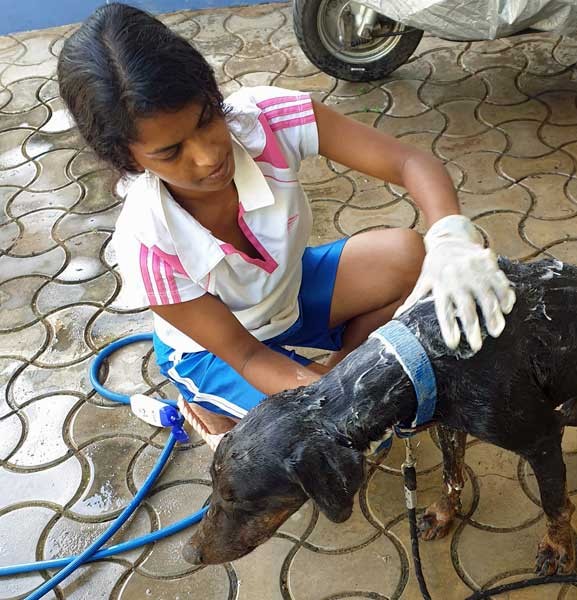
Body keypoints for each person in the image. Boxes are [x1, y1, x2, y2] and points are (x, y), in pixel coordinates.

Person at [57, 2, 515, 445]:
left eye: (207, 118)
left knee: (408, 257)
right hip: (217, 350)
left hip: (288, 292)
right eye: (171, 152)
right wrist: (331, 399)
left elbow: (409, 161)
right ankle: (210, 403)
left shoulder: (267, 120)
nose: (209, 154)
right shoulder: (146, 244)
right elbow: (245, 353)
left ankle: (334, 372)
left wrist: (451, 236)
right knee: (312, 437)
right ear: (126, 158)